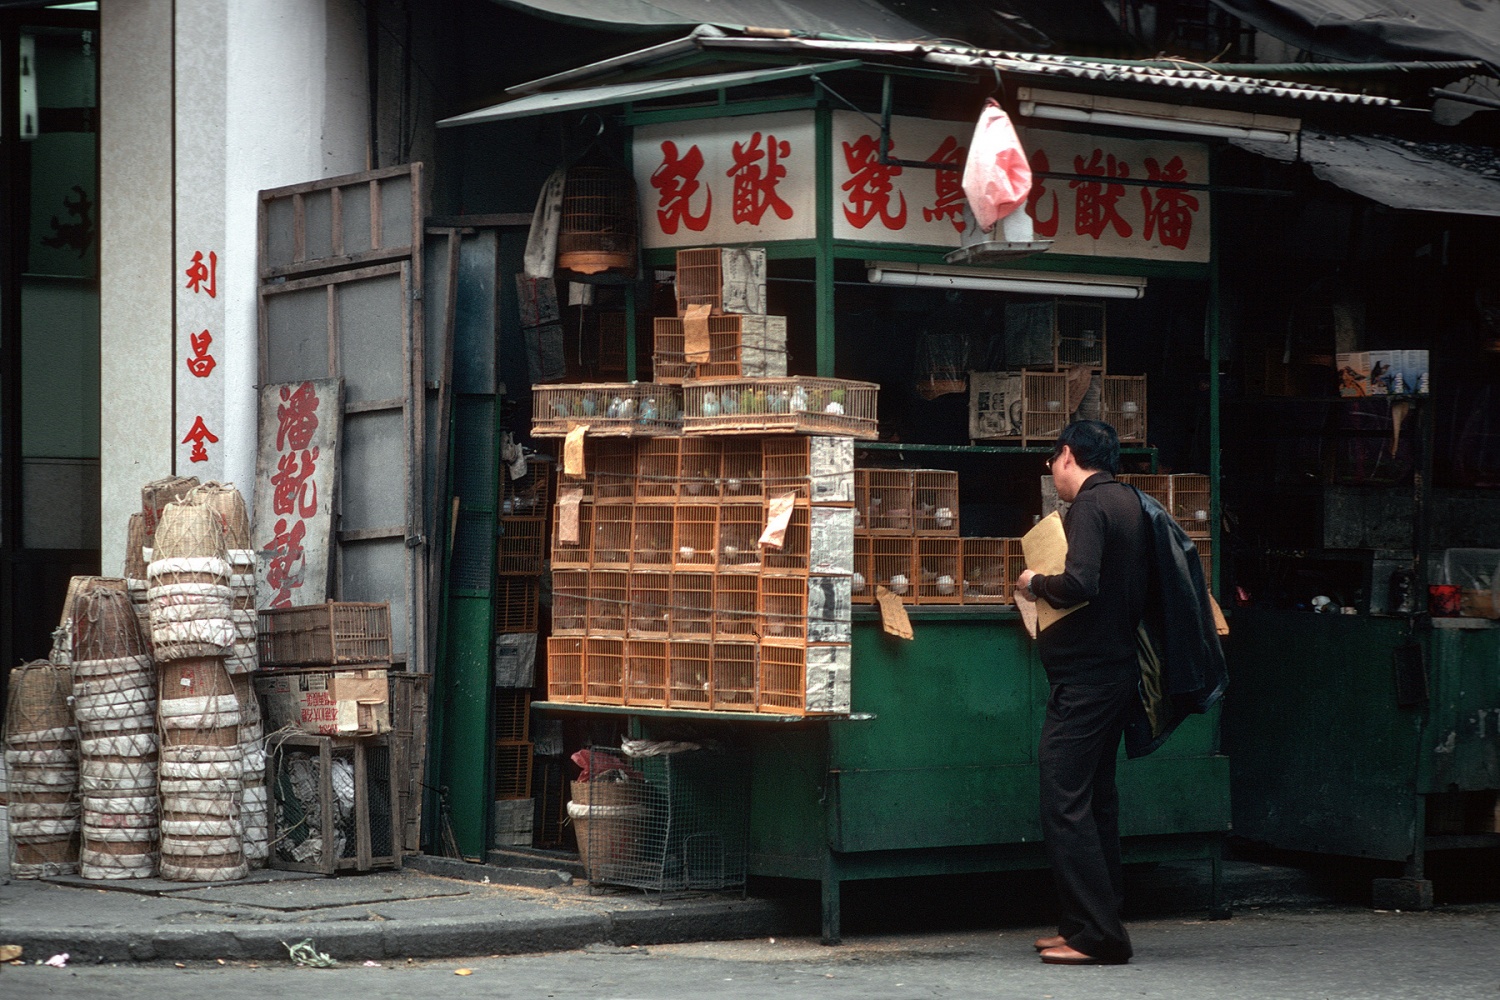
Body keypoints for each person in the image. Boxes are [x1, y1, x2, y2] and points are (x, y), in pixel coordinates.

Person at [1016, 420, 1148, 966]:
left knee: (1063, 799)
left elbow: (1081, 583)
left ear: (1067, 455)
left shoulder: (1091, 507)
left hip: (1088, 681)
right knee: (1096, 801)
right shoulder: (1130, 502)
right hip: (1116, 673)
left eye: (1053, 462)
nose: (1053, 473)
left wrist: (1033, 583)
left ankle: (1100, 935)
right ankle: (1089, 921)